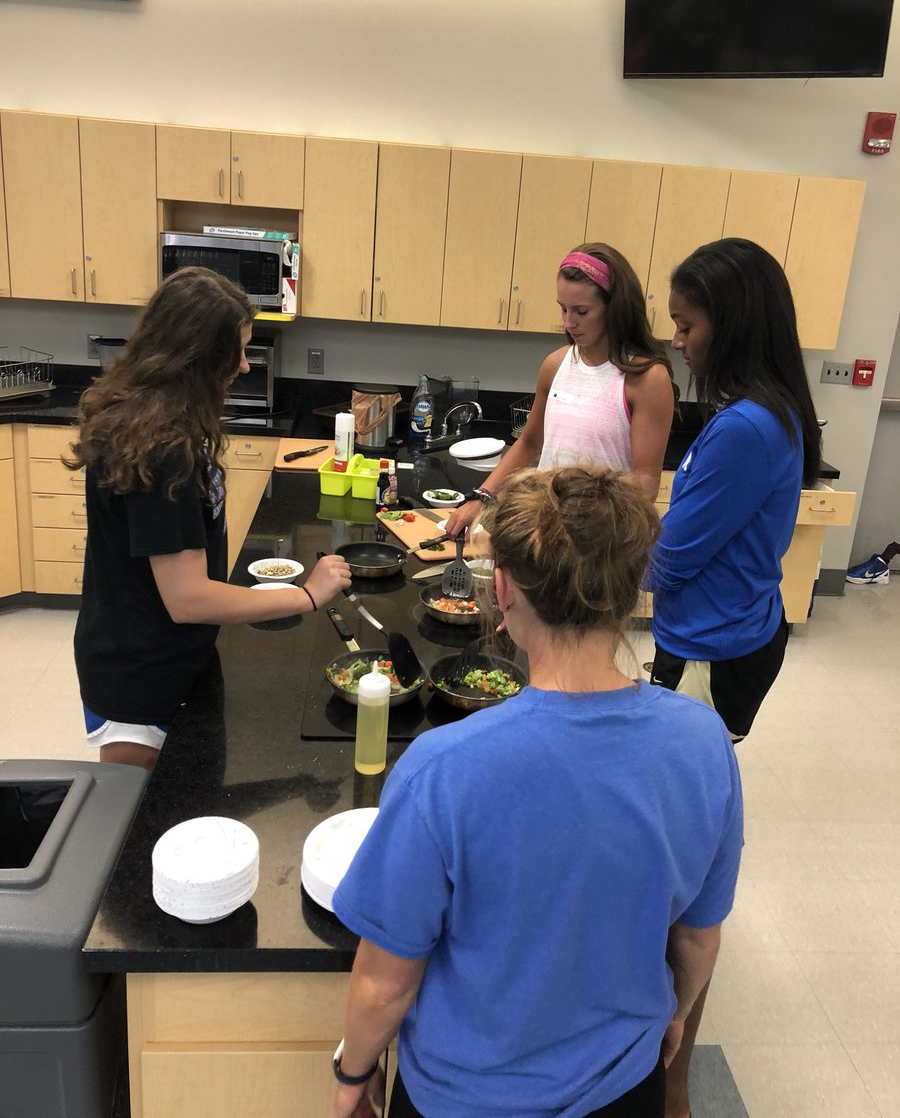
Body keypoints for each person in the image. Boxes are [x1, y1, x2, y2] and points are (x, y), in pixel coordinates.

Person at [330, 466, 743, 1118]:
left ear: (503, 588)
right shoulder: (703, 743)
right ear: (630, 588)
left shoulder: (442, 768)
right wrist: (677, 1015)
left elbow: (384, 981)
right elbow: (697, 941)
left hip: (461, 1100)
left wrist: (353, 1073)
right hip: (622, 1090)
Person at [646, 237, 821, 1118]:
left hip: (709, 654)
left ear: (732, 321)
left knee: (684, 867)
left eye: (688, 322)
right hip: (734, 636)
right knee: (691, 823)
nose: (679, 338)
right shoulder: (774, 409)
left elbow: (671, 558)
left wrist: (580, 559)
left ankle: (671, 1070)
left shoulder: (748, 424)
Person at [66, 267, 351, 772]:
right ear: (196, 357)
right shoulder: (161, 445)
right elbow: (188, 598)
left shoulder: (164, 418)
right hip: (140, 677)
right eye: (236, 352)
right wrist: (307, 595)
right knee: (140, 832)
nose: (244, 366)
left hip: (168, 655)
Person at [444, 242, 675, 539]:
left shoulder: (645, 378)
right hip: (546, 533)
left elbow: (645, 483)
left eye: (581, 311)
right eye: (563, 309)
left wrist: (594, 524)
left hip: (601, 544)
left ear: (615, 308)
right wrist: (482, 498)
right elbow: (529, 442)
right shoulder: (555, 365)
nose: (568, 322)